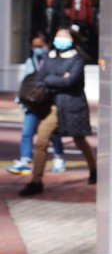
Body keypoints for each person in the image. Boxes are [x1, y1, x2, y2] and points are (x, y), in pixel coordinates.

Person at [19, 27, 97, 196]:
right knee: (41, 140)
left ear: (73, 40)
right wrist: (61, 78)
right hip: (53, 106)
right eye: (58, 36)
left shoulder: (77, 59)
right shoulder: (50, 57)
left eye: (65, 36)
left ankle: (94, 169)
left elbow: (70, 82)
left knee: (79, 141)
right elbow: (41, 79)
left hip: (73, 106)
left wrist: (53, 80)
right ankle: (36, 181)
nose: (61, 39)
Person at [7, 36, 66, 174]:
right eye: (35, 46)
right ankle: (25, 160)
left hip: (48, 103)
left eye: (40, 46)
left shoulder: (53, 61)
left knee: (53, 133)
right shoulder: (30, 62)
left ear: (47, 45)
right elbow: (25, 81)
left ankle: (58, 158)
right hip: (32, 103)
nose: (38, 49)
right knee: (27, 132)